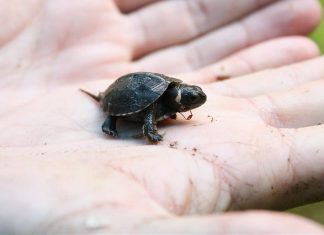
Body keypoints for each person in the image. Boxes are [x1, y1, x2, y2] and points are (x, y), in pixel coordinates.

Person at [0, 0, 323, 233]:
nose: (193, 102)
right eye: (191, 99)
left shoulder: (174, 91)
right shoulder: (157, 103)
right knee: (122, 113)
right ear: (180, 99)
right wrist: (149, 132)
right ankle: (109, 121)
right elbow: (148, 114)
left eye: (193, 97)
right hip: (120, 96)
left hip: (147, 87)